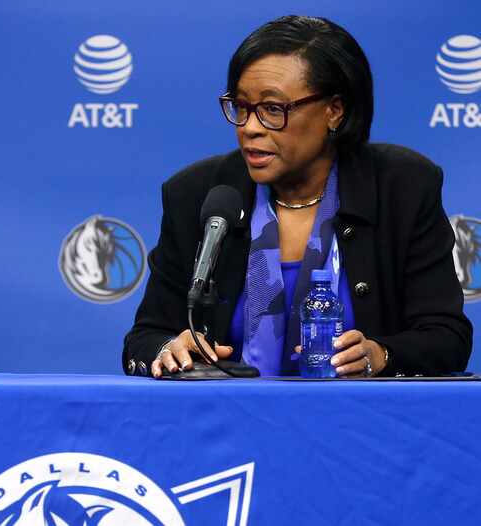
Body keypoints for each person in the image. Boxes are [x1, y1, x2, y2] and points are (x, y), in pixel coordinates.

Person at [123, 15, 472, 378]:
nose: (250, 128)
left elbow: (447, 338)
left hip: (359, 423)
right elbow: (145, 337)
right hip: (227, 422)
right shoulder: (198, 193)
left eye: (273, 109)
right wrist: (168, 349)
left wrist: (381, 355)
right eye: (241, 107)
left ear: (334, 111)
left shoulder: (402, 187)